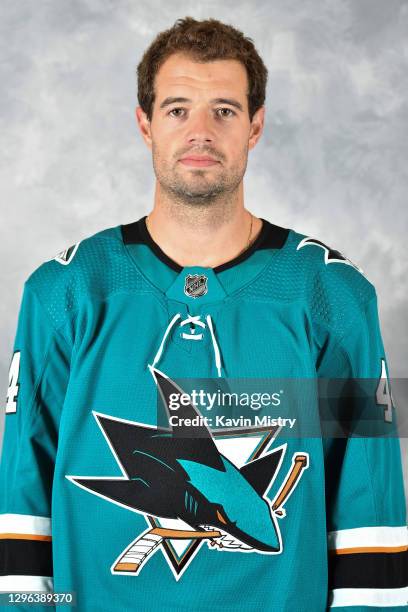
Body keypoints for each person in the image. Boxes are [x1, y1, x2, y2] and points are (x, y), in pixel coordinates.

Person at [0, 16, 407, 612]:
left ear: (256, 125)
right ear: (144, 124)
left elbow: (369, 512)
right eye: (177, 109)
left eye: (223, 110)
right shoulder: (65, 294)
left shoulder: (331, 297)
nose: (200, 131)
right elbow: (23, 505)